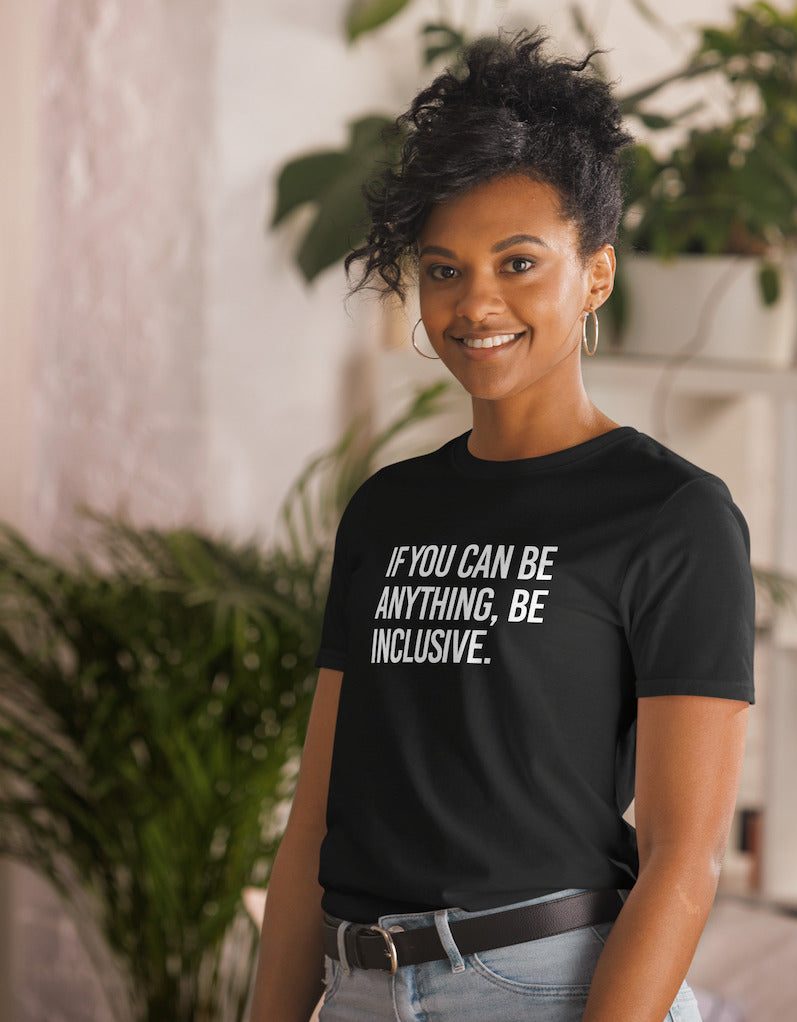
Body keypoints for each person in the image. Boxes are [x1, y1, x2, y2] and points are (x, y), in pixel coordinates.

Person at [250, 31, 753, 1022]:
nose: (474, 301)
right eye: (443, 269)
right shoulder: (386, 510)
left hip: (544, 985)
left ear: (594, 273)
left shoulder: (669, 513)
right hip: (358, 987)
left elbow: (682, 856)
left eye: (517, 262)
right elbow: (315, 822)